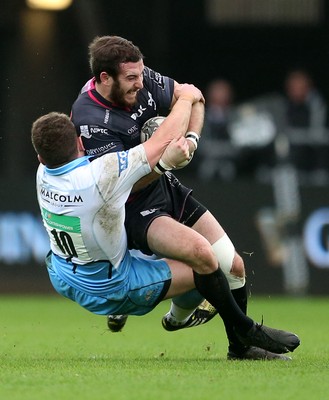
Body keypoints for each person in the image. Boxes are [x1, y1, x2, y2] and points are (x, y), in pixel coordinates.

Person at [71, 35, 297, 360]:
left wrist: (190, 138)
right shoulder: (91, 118)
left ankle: (232, 345)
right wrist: (165, 157)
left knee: (233, 266)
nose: (140, 82)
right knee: (202, 257)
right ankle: (247, 332)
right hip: (131, 207)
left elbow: (195, 98)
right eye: (131, 78)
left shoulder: (142, 75)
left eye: (141, 74)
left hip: (166, 187)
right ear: (104, 78)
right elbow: (123, 185)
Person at [32, 110, 300, 360]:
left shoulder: (43, 173)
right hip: (112, 287)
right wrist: (185, 99)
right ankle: (240, 329)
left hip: (62, 274)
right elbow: (156, 146)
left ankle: (133, 310)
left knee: (108, 226)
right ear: (80, 142)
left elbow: (56, 143)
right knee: (206, 267)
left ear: (40, 157)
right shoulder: (100, 176)